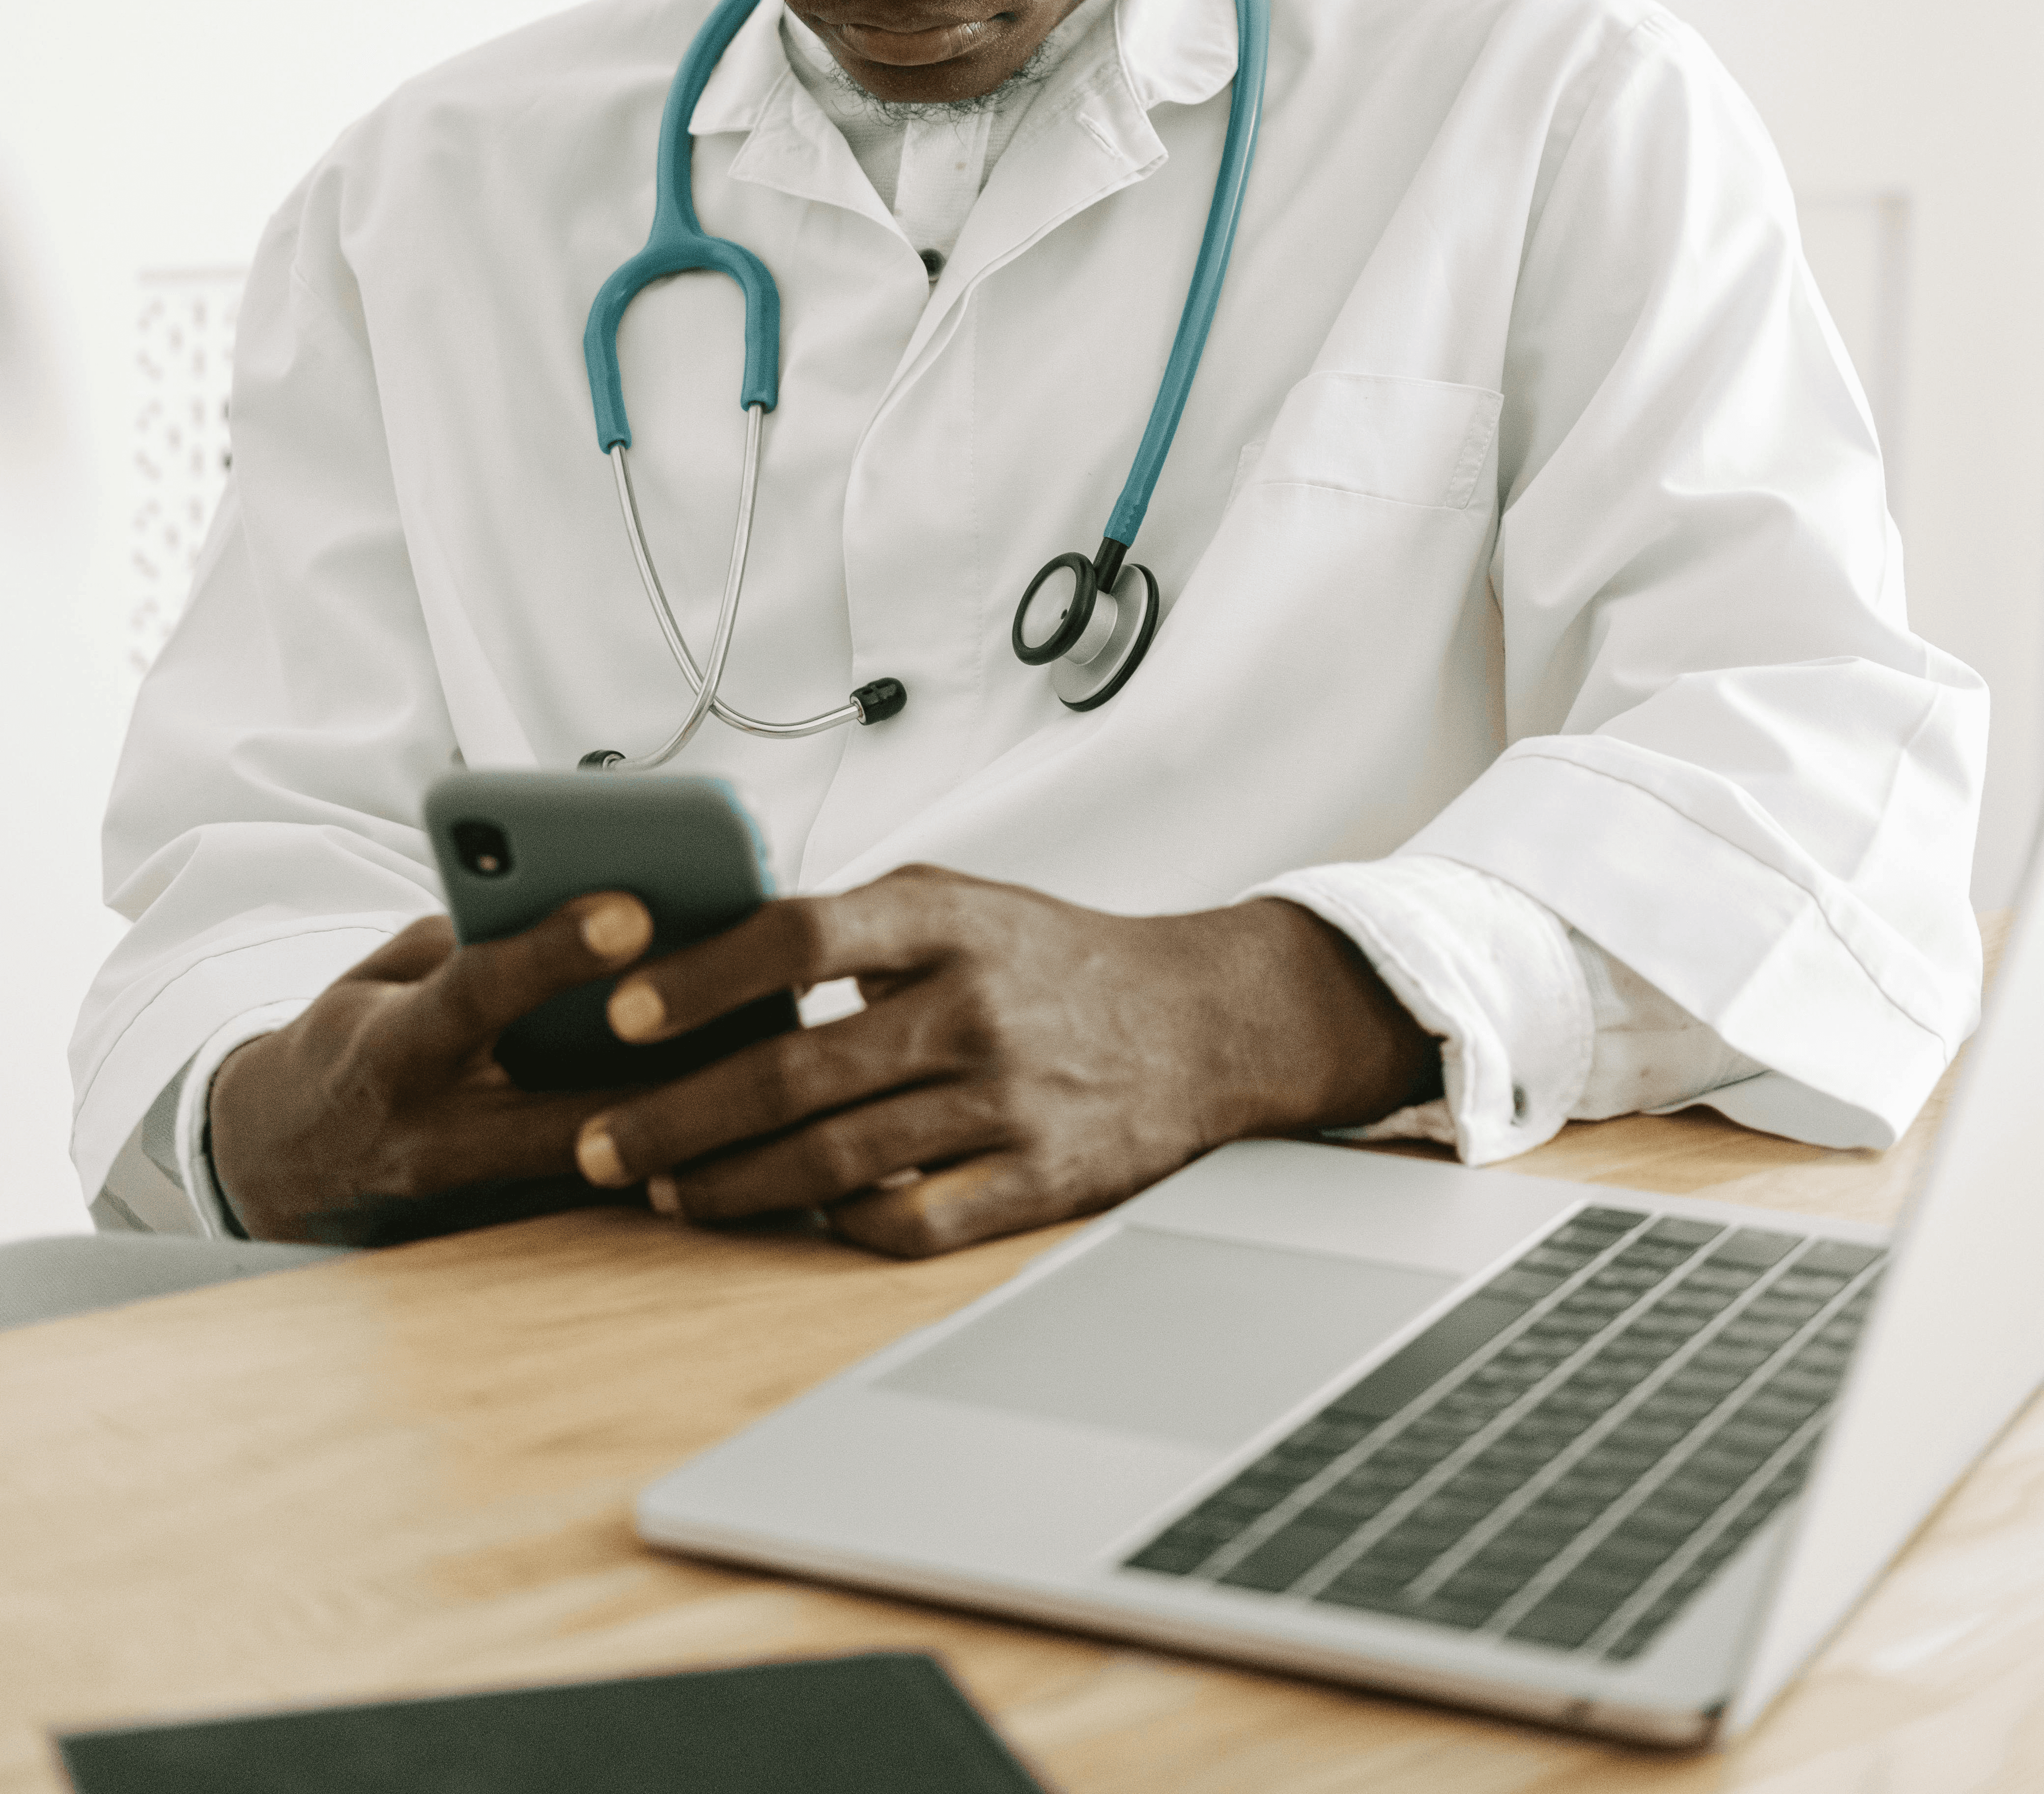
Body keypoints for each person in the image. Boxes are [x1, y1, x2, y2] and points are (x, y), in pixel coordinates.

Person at [17, 0, 1987, 1319]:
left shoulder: (1543, 91)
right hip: (558, 1301)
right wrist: (271, 1109)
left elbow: (1806, 773)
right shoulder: (419, 192)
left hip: (1257, 1298)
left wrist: (1254, 1010)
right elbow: (242, 866)